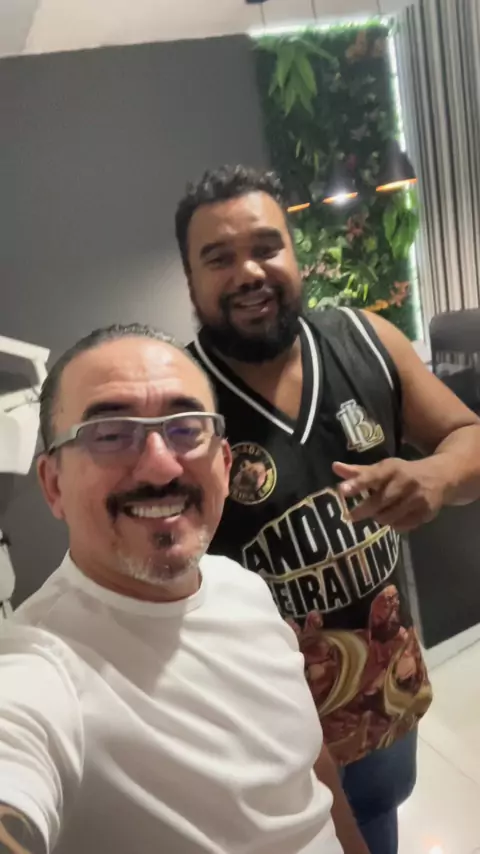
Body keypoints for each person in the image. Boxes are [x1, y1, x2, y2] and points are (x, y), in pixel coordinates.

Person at [176, 165, 480, 854]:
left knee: (380, 818)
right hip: (266, 733)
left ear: (294, 252)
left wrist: (434, 475)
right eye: (218, 258)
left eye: (266, 247)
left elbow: (469, 437)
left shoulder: (367, 340)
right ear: (191, 282)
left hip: (383, 699)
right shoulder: (181, 401)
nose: (248, 272)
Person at [0, 323, 371, 854]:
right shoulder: (37, 665)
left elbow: (309, 772)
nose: (159, 466)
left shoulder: (244, 587)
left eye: (186, 429)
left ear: (224, 464)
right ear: (54, 484)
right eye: (109, 434)